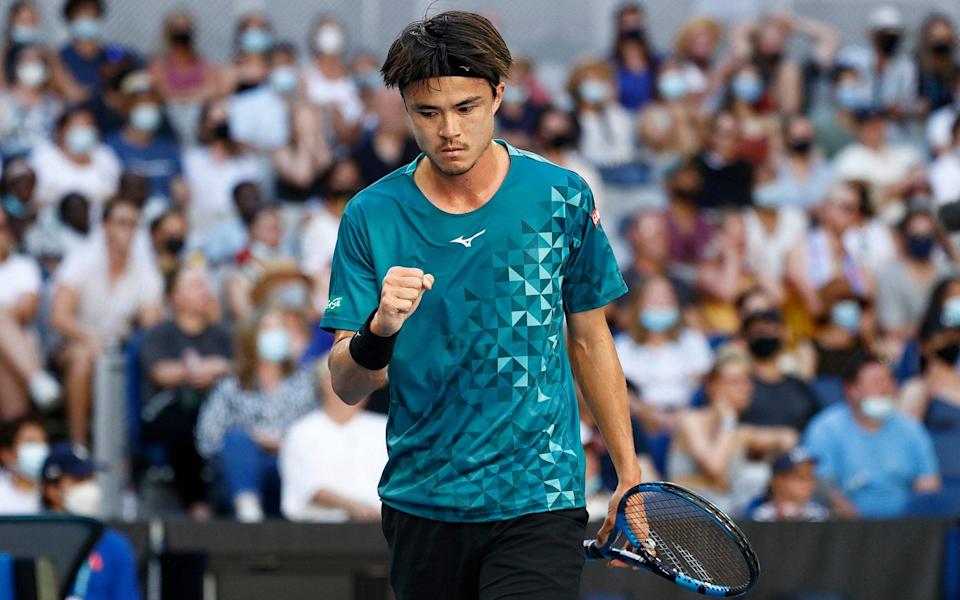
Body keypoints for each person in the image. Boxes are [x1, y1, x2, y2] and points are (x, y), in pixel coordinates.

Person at [322, 11, 639, 599]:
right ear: (405, 109)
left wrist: (629, 474)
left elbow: (591, 339)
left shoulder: (560, 195)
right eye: (428, 112)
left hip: (540, 496)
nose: (449, 130)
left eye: (465, 108)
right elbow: (346, 383)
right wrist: (380, 327)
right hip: (424, 498)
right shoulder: (370, 214)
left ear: (498, 95)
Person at [51, 196, 164, 445]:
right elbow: (59, 316)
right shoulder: (81, 259)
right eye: (122, 222)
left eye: (134, 224)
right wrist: (92, 340)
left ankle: (128, 451)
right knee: (83, 358)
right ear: (105, 226)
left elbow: (150, 321)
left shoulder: (145, 269)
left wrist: (153, 316)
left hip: (120, 350)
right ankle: (78, 445)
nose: (128, 230)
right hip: (74, 343)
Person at [195, 307, 317, 522]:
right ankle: (248, 511)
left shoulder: (305, 384)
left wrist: (283, 442)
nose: (276, 333)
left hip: (288, 468)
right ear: (251, 337)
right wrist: (251, 440)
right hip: (240, 472)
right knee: (237, 440)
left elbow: (319, 432)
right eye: (268, 328)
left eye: (281, 328)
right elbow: (206, 438)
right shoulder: (231, 386)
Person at [139, 264, 232, 519]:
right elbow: (160, 372)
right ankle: (197, 505)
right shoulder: (159, 334)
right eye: (194, 285)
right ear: (174, 297)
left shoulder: (222, 335)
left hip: (216, 407)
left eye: (205, 284)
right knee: (185, 425)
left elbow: (238, 367)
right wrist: (197, 370)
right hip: (169, 410)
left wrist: (218, 367)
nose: (204, 291)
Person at [804, 355, 941, 518]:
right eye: (876, 382)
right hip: (845, 526)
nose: (885, 389)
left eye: (889, 381)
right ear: (850, 389)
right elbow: (822, 484)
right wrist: (856, 521)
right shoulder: (825, 428)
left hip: (905, 526)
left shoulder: (911, 428)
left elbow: (928, 482)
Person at [668, 350, 796, 515]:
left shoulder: (741, 432)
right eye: (734, 382)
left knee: (758, 473)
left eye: (747, 381)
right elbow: (714, 468)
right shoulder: (691, 420)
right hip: (685, 512)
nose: (745, 389)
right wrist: (728, 420)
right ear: (712, 386)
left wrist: (766, 453)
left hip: (723, 512)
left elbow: (788, 438)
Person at [279, 357, 387, 522]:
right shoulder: (302, 431)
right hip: (320, 534)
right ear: (328, 381)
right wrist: (355, 508)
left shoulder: (385, 428)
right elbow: (311, 489)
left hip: (382, 530)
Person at [40, 442, 141, 600]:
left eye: (91, 478)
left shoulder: (114, 545)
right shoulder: (32, 540)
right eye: (79, 479)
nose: (89, 487)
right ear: (51, 490)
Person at [0, 208, 60, 419]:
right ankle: (37, 380)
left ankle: (13, 434)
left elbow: (27, 307)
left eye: (2, 228)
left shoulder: (22, 266)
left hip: (22, 344)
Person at [739, 309, 820, 432]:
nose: (764, 335)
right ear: (746, 338)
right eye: (758, 331)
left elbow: (816, 425)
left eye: (770, 330)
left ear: (784, 334)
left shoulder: (798, 386)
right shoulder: (738, 385)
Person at [749, 447, 830, 521]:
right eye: (801, 477)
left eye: (811, 476)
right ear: (777, 480)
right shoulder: (755, 512)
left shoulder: (820, 512)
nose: (808, 482)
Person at [0, 415, 47, 514]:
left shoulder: (57, 490)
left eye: (43, 442)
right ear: (6, 454)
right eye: (30, 442)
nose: (39, 448)